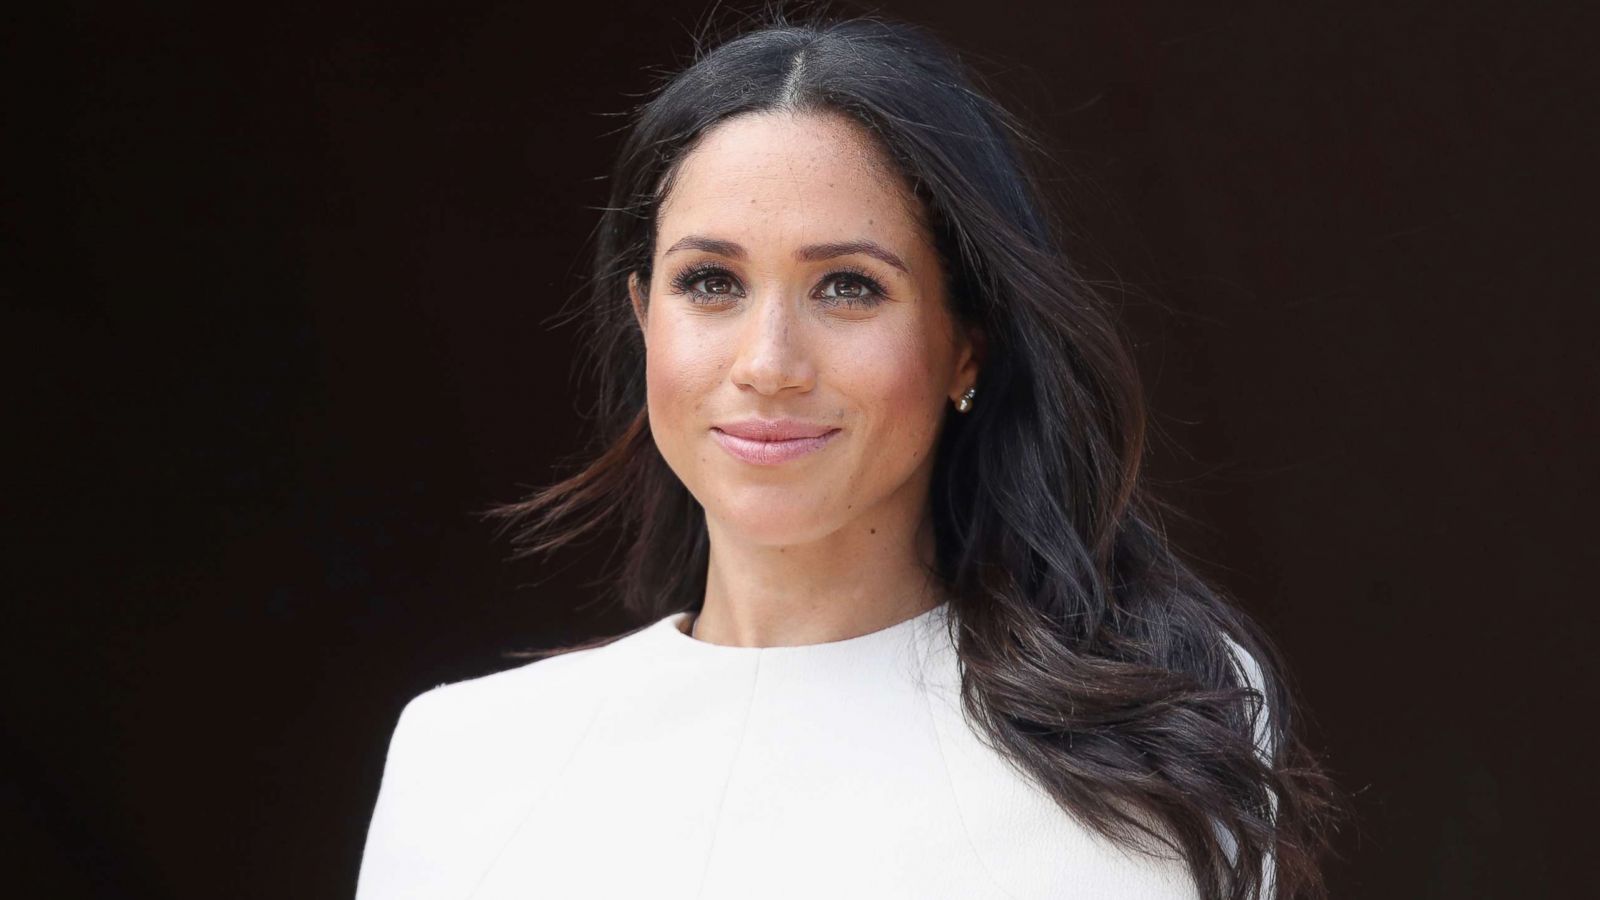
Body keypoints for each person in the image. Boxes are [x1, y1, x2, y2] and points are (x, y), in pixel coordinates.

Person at [354, 10, 1340, 900]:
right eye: (709, 282)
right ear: (640, 316)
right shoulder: (466, 764)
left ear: (966, 342)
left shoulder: (1152, 749)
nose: (769, 363)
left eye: (847, 288)